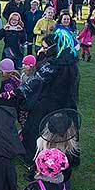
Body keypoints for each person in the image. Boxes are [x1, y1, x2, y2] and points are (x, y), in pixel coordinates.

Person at [12, 29, 79, 165]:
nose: (42, 49)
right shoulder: (70, 62)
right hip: (66, 103)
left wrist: (16, 92)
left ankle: (33, 159)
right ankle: (64, 157)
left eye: (44, 47)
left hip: (48, 103)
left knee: (34, 130)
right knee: (64, 131)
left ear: (53, 47)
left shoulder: (52, 64)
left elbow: (36, 81)